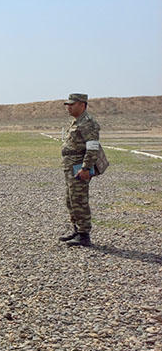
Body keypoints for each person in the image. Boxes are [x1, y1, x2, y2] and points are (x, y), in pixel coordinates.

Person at [58, 92, 101, 247]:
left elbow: (92, 148)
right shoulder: (77, 121)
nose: (68, 107)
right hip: (71, 168)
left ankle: (84, 235)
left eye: (72, 104)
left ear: (82, 105)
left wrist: (85, 168)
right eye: (67, 104)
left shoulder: (88, 123)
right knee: (70, 200)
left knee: (79, 200)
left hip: (79, 168)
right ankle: (77, 230)